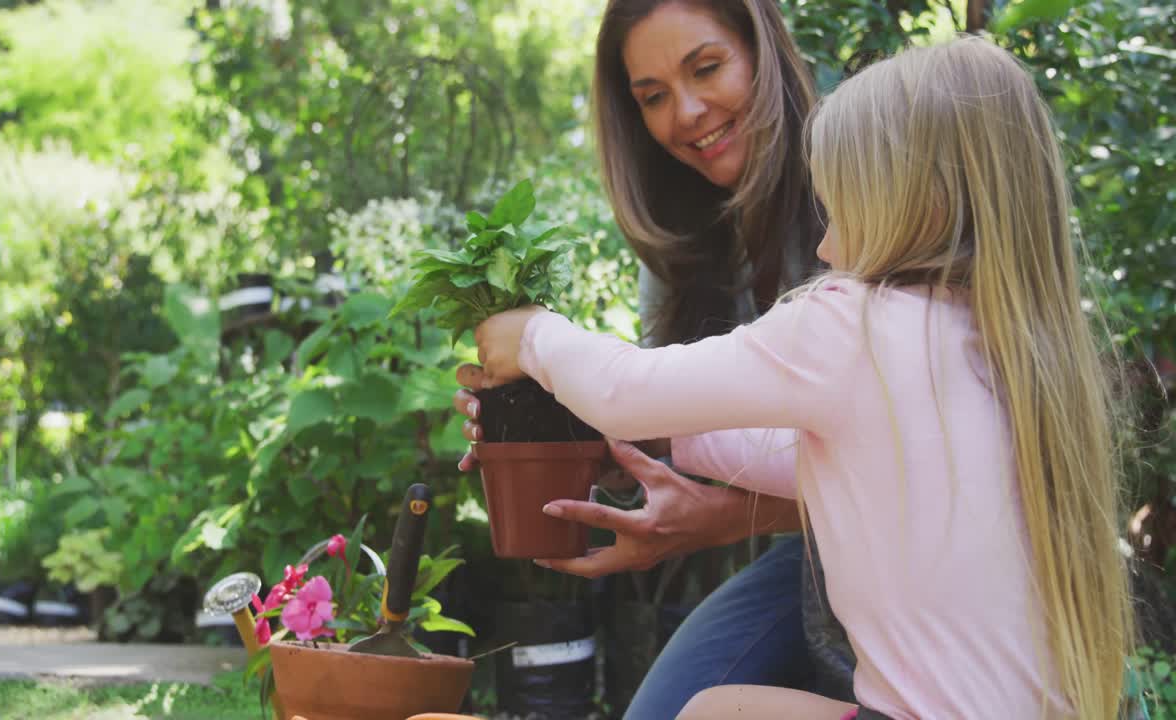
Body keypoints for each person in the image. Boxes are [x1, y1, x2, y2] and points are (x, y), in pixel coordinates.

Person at [472, 36, 1137, 718]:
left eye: (840, 212)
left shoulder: (855, 326)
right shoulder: (1010, 352)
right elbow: (820, 459)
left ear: (917, 204)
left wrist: (532, 335)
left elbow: (624, 391)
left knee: (709, 712)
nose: (824, 245)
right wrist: (666, 444)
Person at [455, 0, 853, 716]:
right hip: (808, 552)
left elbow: (901, 458)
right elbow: (676, 430)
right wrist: (579, 440)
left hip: (909, 552)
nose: (688, 113)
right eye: (653, 97)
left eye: (707, 68)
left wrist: (726, 518)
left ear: (762, 50)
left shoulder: (857, 192)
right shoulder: (681, 240)